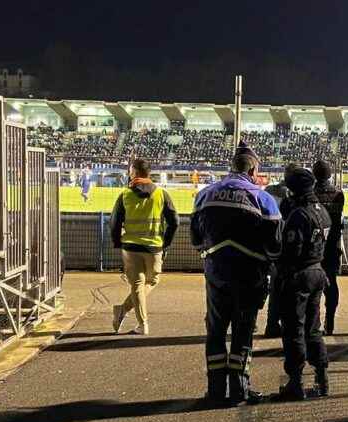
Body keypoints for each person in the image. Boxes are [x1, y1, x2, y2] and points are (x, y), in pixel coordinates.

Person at [190, 142, 282, 405]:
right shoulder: (263, 199)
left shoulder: (205, 194)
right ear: (253, 170)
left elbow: (196, 239)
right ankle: (240, 390)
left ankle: (215, 391)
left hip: (216, 273)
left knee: (216, 331)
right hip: (249, 275)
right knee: (243, 333)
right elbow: (275, 245)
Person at [276, 168, 330, 401]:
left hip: (300, 274)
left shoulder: (299, 214)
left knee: (294, 328)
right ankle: (321, 378)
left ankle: (296, 383)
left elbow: (290, 251)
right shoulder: (322, 211)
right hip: (318, 271)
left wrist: (280, 272)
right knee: (313, 327)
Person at [110, 159, 180, 335]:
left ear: (134, 172)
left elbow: (115, 222)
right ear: (149, 173)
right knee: (152, 281)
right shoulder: (161, 194)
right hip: (154, 247)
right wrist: (166, 243)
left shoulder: (125, 194)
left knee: (137, 285)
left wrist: (118, 243)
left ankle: (126, 312)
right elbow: (175, 222)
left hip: (131, 247)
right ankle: (140, 323)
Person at [262, 163, 298, 338]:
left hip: (270, 246)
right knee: (289, 289)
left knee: (273, 288)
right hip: (289, 249)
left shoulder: (269, 191)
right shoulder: (297, 195)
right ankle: (288, 324)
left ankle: (271, 324)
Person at [312, 160, 345, 336]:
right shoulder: (338, 194)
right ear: (330, 175)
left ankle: (314, 322)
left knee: (312, 286)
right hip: (332, 246)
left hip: (314, 247)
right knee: (331, 284)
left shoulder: (310, 194)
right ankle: (329, 321)